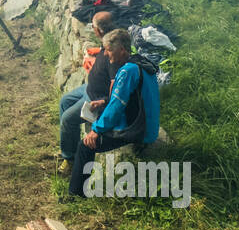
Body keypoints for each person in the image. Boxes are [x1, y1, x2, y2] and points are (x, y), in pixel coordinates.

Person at [70, 28, 161, 197]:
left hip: (140, 130)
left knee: (85, 145)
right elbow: (132, 96)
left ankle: (75, 195)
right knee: (102, 115)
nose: (105, 54)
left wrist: (95, 131)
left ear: (121, 50)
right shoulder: (141, 63)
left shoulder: (127, 71)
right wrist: (105, 101)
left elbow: (117, 107)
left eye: (109, 50)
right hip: (147, 123)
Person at [57, 11, 116, 177]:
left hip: (95, 98)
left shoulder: (114, 51)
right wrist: (96, 54)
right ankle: (69, 146)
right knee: (65, 101)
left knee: (68, 120)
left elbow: (116, 85)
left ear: (98, 31)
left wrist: (104, 101)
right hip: (88, 88)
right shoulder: (109, 40)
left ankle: (70, 159)